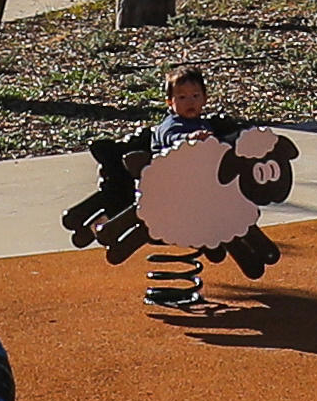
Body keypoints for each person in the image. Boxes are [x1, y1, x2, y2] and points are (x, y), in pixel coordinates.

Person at [102, 62, 294, 321]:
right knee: (221, 220)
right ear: (170, 102)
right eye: (181, 98)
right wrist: (191, 142)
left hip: (204, 194)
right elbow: (174, 143)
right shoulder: (172, 126)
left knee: (232, 215)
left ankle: (255, 254)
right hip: (173, 195)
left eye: (195, 96)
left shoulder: (206, 124)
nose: (189, 102)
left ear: (204, 98)